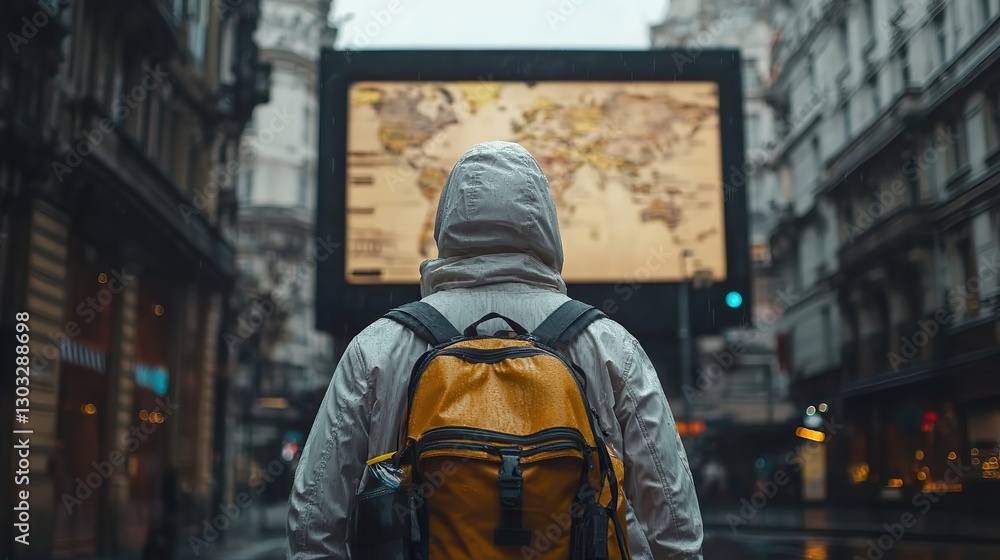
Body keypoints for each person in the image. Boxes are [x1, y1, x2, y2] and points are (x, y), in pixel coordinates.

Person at [287, 141, 703, 559]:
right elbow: (674, 523)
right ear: (545, 224)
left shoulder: (377, 347)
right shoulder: (609, 346)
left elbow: (312, 524)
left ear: (447, 221)